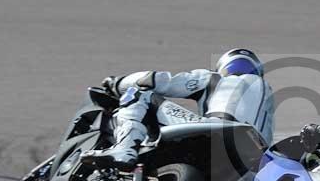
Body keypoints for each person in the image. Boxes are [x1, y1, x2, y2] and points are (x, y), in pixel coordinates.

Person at [82, 48, 274, 169]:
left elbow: (154, 81)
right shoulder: (268, 100)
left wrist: (116, 83)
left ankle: (124, 148)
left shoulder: (216, 78)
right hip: (252, 160)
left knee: (140, 93)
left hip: (217, 131)